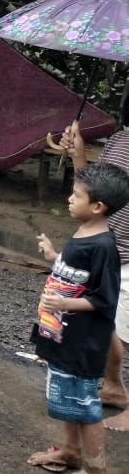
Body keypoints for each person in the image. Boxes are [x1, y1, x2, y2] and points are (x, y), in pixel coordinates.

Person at [25, 162, 129, 474]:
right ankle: (71, 452)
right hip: (62, 334)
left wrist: (66, 304)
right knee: (68, 399)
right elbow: (79, 275)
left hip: (82, 342)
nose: (69, 199)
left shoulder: (103, 247)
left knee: (85, 406)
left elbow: (104, 298)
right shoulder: (84, 233)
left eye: (76, 195)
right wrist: (54, 256)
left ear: (98, 207)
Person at [65, 120, 129, 432]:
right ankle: (114, 385)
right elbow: (95, 188)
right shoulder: (120, 138)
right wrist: (78, 155)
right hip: (107, 250)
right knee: (104, 324)